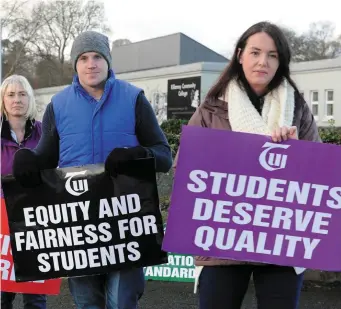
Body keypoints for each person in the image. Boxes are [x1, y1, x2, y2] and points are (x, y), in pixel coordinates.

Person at [11, 31, 172, 309]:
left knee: (121, 302)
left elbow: (164, 156)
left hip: (126, 222)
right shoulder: (59, 105)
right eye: (84, 58)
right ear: (75, 64)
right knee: (87, 304)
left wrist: (137, 155)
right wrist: (28, 159)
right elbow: (46, 158)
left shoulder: (133, 98)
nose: (91, 64)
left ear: (108, 61)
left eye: (97, 56)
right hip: (79, 227)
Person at [173, 21, 321, 309]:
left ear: (282, 61)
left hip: (282, 239)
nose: (263, 62)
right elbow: (185, 171)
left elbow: (317, 177)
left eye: (273, 55)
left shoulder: (298, 109)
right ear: (240, 55)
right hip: (221, 240)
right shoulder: (210, 109)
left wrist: (295, 151)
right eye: (255, 52)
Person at [1, 75, 47, 309]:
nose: (16, 99)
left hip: (36, 223)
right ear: (3, 100)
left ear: (30, 99)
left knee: (35, 296)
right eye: (11, 94)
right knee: (3, 294)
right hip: (2, 224)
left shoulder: (44, 134)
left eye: (22, 94)